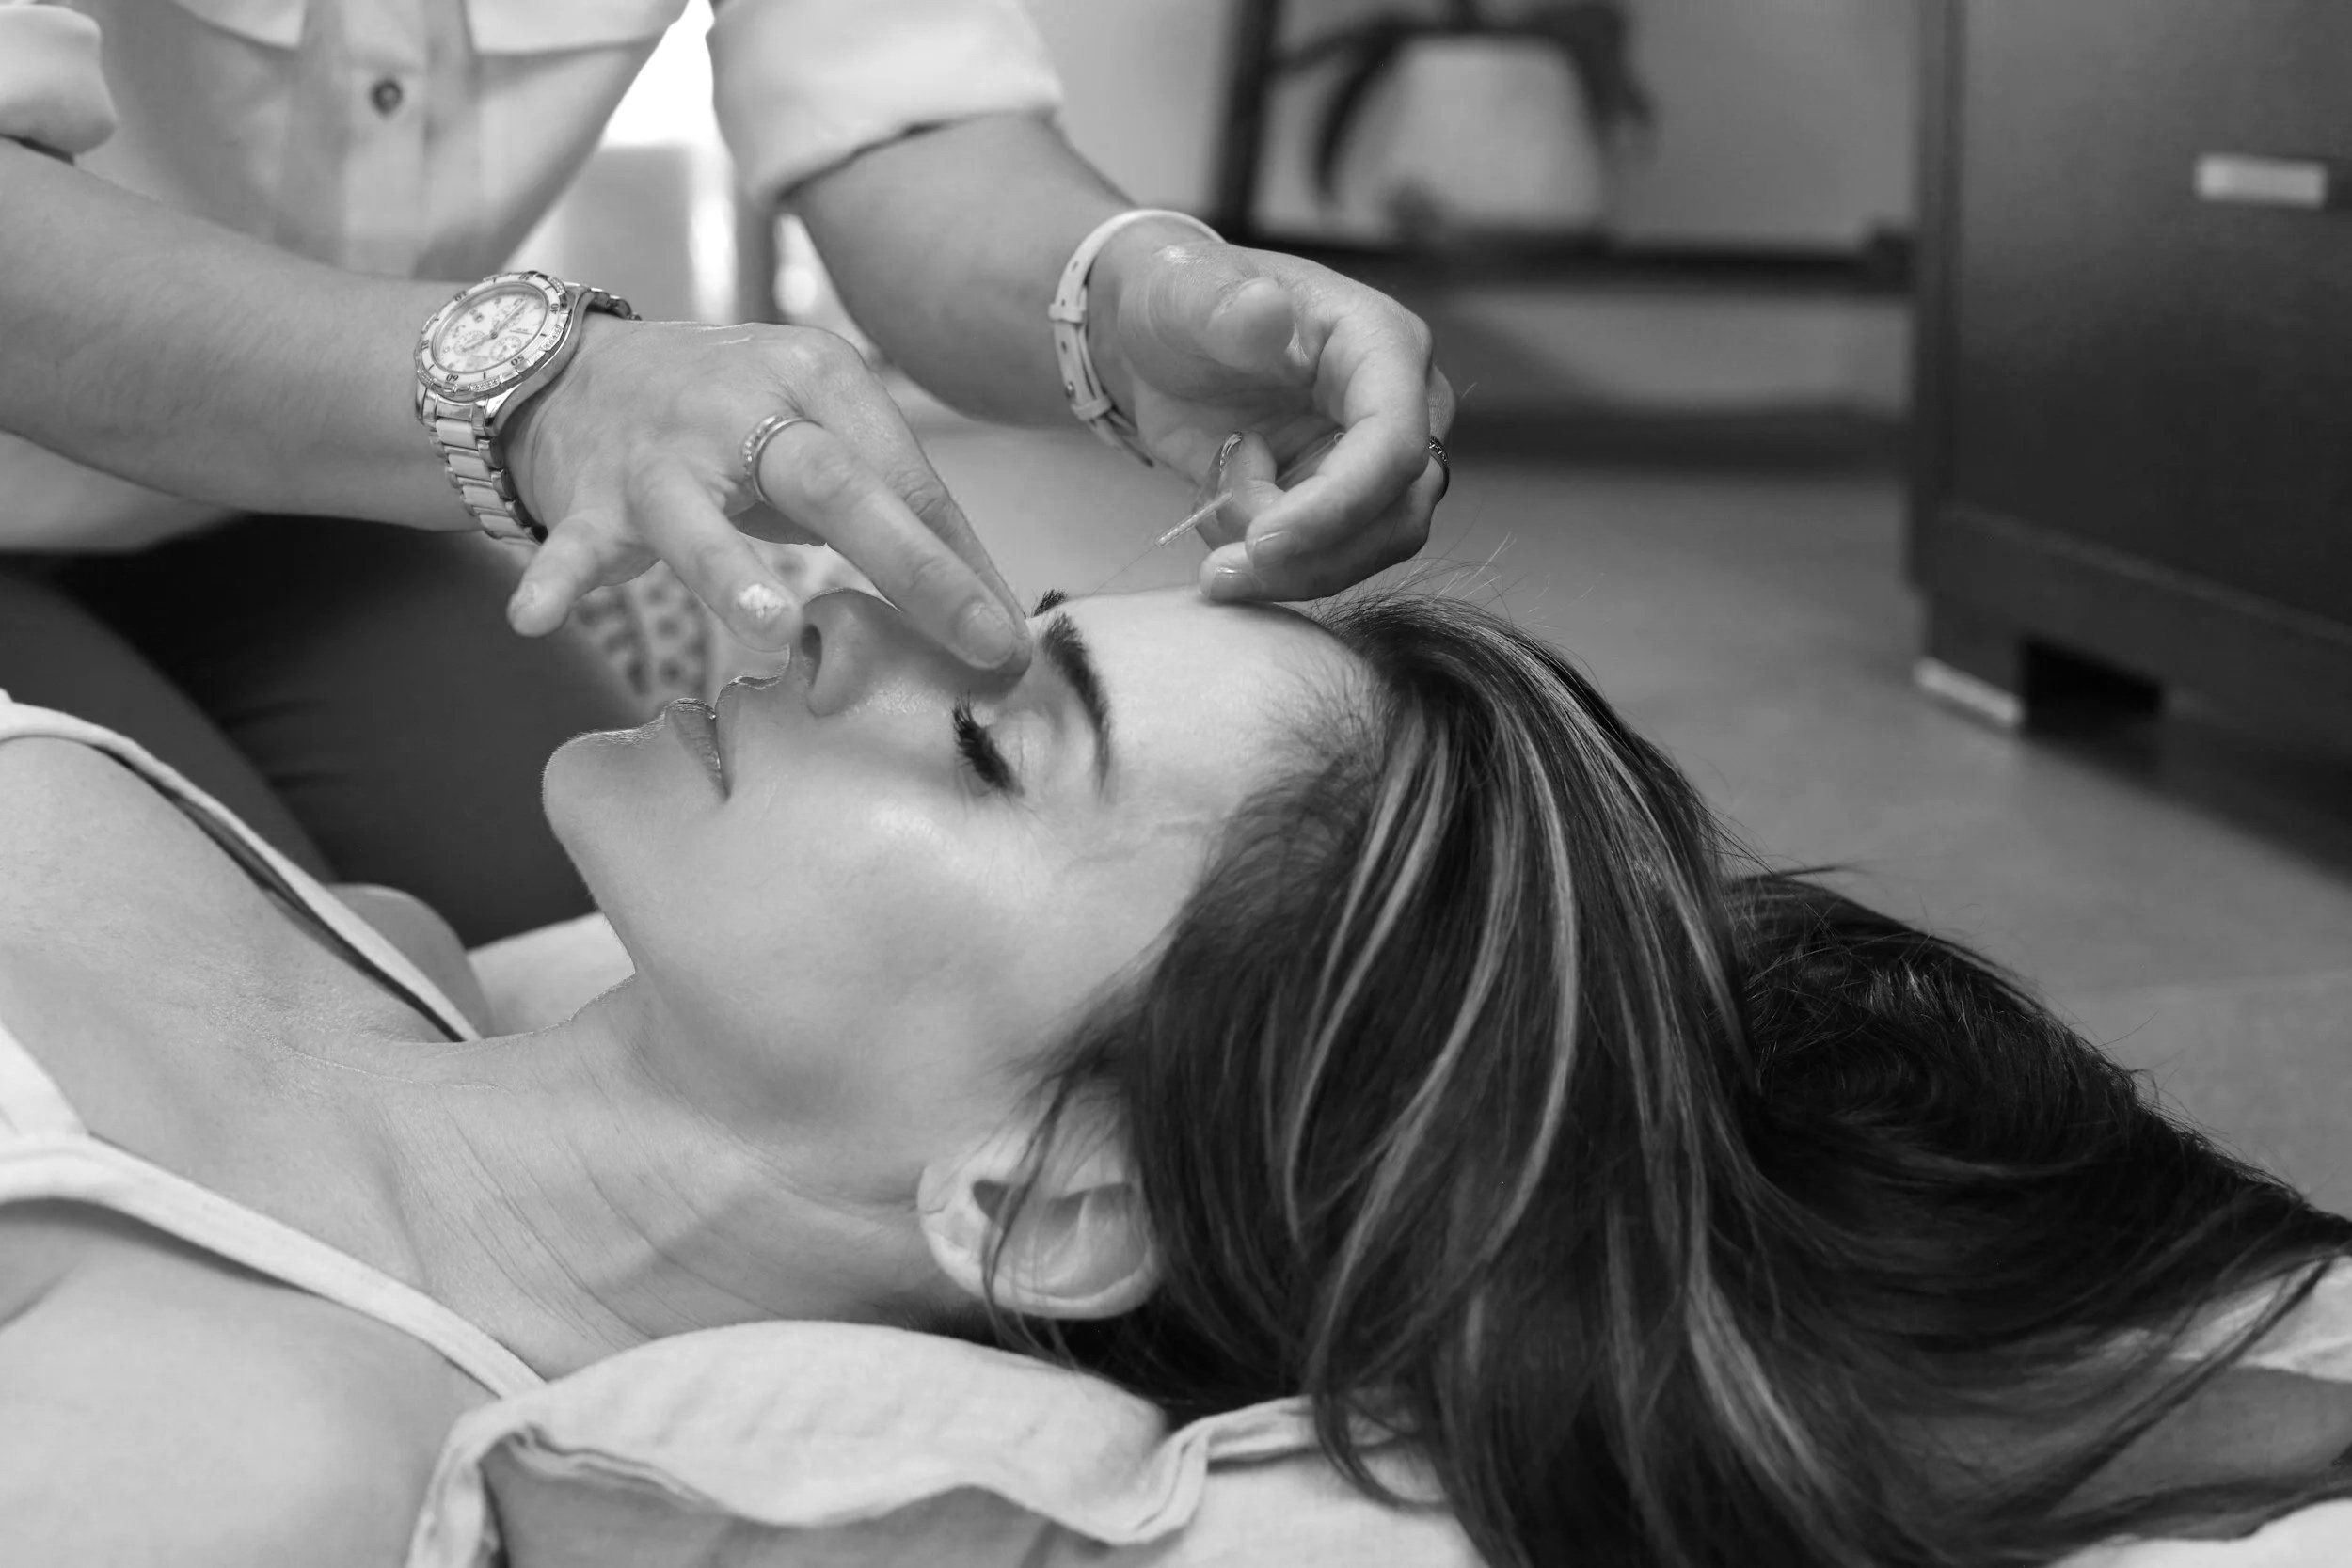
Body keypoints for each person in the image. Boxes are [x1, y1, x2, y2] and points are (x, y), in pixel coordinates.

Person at [3, 583, 2349, 1568]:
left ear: (1049, 1194)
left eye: (989, 745)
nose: (833, 609)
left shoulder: (239, 1441)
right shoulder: (377, 951)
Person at [0, 0, 1454, 943]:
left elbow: (904, 118)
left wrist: (1122, 290)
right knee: (217, 950)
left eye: (990, 748)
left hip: (276, 502)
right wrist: (549, 395)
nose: (827, 619)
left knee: (520, 921)